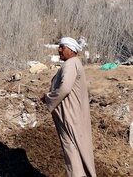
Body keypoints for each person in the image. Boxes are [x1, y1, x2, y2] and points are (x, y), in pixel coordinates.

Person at [41, 37, 96, 177]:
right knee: (78, 149)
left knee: (72, 150)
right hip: (75, 115)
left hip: (70, 116)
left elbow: (65, 88)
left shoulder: (70, 64)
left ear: (71, 50)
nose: (59, 49)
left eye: (62, 47)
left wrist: (48, 97)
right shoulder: (75, 63)